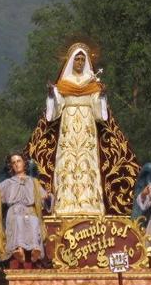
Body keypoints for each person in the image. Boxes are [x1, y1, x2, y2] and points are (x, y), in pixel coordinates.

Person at [45, 42, 108, 215]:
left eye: (82, 59)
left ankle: (90, 204)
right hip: (69, 124)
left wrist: (101, 95)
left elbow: (98, 112)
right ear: (71, 61)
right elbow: (56, 110)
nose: (79, 62)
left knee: (87, 161)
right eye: (77, 59)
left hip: (87, 123)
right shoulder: (65, 83)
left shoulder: (92, 82)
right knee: (68, 161)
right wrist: (52, 95)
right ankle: (66, 203)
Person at [0, 152, 52, 264]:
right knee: (17, 220)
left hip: (30, 211)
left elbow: (45, 199)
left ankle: (35, 250)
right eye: (13, 163)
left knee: (34, 220)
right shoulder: (7, 183)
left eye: (19, 161)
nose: (17, 164)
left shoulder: (34, 182)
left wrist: (47, 197)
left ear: (24, 163)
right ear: (11, 166)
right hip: (14, 212)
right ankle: (19, 250)